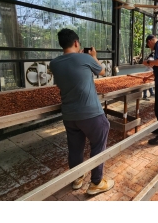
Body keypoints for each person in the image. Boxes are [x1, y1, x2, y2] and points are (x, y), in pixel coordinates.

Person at [49, 28, 114, 195]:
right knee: (98, 143)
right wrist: (93, 56)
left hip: (69, 115)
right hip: (91, 113)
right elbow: (102, 71)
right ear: (76, 43)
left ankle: (77, 177)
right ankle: (96, 182)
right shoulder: (85, 58)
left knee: (75, 147)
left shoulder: (54, 64)